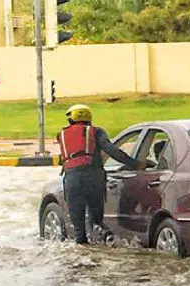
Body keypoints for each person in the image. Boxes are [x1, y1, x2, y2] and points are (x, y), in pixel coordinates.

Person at [56, 104, 141, 245]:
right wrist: (135, 164)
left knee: (79, 230)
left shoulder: (62, 135)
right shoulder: (96, 132)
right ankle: (107, 236)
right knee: (96, 221)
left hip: (71, 180)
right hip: (94, 179)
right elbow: (112, 150)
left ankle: (83, 254)